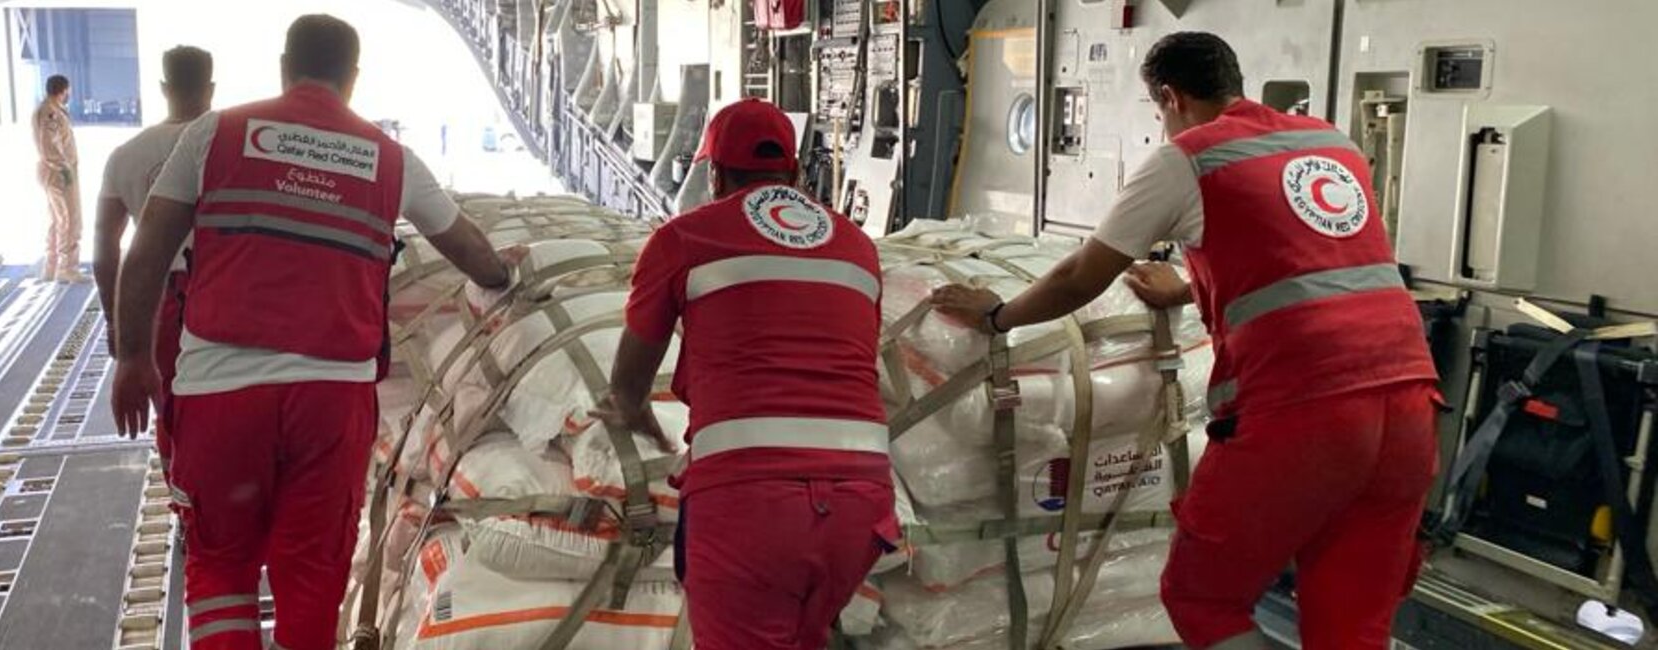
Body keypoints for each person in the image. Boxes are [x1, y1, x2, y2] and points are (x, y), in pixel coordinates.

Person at [930, 32, 1437, 650]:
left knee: (1202, 597)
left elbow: (1078, 276)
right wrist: (1191, 292)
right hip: (1411, 409)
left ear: (1169, 97)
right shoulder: (1330, 142)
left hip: (1305, 412)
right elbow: (1300, 269)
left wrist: (999, 316)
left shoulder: (1189, 157)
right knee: (1351, 627)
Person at [108, 15, 515, 650]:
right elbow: (466, 246)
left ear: (283, 66)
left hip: (220, 391)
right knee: (312, 576)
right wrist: (502, 276)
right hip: (332, 401)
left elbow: (147, 251)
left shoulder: (216, 134)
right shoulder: (390, 158)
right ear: (352, 78)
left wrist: (133, 355)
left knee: (219, 564)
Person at [600, 98, 896, 650]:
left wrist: (635, 414)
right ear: (796, 171)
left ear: (714, 174)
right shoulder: (858, 247)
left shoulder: (682, 238)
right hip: (862, 507)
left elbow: (628, 385)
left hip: (749, 509)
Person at [95, 46, 214, 473]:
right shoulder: (227, 146)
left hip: (156, 304)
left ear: (164, 88)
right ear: (211, 87)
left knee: (171, 408)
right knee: (226, 403)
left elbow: (105, 247)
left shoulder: (125, 156)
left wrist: (118, 321)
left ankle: (184, 502)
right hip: (222, 295)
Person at [33, 74, 85, 283]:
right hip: (59, 173)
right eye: (68, 90)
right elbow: (50, 145)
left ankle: (52, 268)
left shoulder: (50, 110)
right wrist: (65, 170)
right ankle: (67, 268)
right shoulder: (51, 113)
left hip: (53, 171)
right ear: (63, 90)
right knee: (69, 219)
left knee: (57, 220)